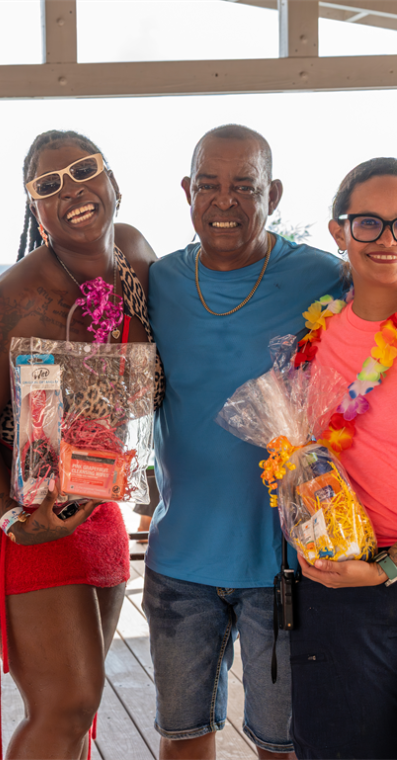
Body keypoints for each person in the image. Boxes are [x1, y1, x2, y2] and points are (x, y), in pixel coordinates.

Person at [0, 129, 163, 760]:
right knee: (64, 700)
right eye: (48, 185)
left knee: (80, 703)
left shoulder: (138, 253)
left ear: (114, 180)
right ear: (34, 208)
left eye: (85, 171)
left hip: (89, 487)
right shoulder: (15, 299)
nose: (73, 191)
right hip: (0, 495)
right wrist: (14, 519)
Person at [144, 124, 344, 760]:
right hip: (179, 563)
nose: (224, 201)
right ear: (187, 192)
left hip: (288, 564)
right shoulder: (159, 282)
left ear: (274, 193)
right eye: (208, 185)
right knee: (182, 741)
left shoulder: (325, 277)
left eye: (244, 187)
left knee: (282, 747)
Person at [288, 158, 397, 760]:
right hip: (335, 596)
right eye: (370, 224)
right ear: (339, 231)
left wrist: (387, 569)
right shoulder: (314, 338)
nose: (387, 240)